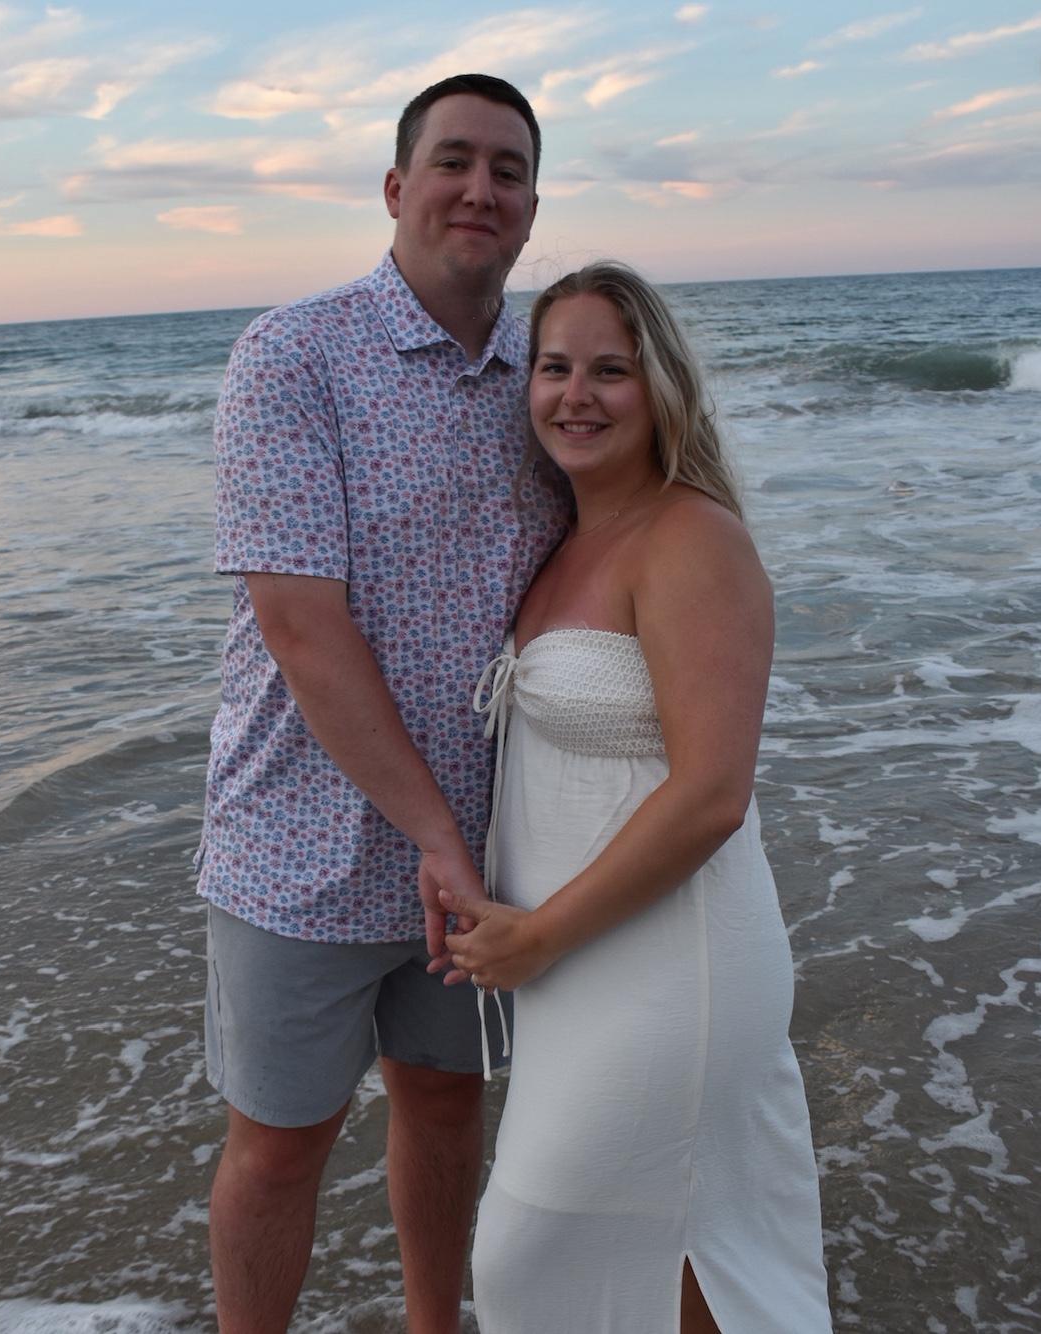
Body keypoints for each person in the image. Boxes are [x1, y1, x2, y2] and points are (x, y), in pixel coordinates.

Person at [196, 74, 567, 1332]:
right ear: (396, 187)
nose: (480, 188)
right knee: (281, 1141)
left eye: (507, 171)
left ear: (528, 209)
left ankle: (433, 1325)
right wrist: (430, 833)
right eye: (453, 160)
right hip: (301, 842)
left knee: (446, 1101)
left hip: (484, 843)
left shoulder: (549, 374)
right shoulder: (290, 355)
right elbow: (301, 625)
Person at [432, 263, 833, 1332]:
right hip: (569, 963)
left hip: (669, 967)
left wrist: (538, 935)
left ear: (661, 386)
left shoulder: (689, 537)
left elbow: (710, 794)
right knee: (655, 1242)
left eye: (610, 370)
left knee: (539, 1247)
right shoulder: (561, 541)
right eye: (553, 367)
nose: (576, 394)